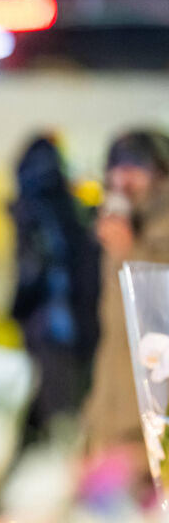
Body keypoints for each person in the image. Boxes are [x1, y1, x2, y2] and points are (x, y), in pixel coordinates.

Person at [83, 129, 169, 457]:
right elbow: (114, 338)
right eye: (116, 168)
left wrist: (131, 253)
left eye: (135, 168)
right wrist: (94, 417)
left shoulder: (153, 235)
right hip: (114, 418)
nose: (122, 178)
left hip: (152, 422)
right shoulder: (123, 230)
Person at [9, 134, 99, 441]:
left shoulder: (32, 211)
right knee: (73, 411)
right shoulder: (76, 209)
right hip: (79, 327)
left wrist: (19, 312)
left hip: (54, 330)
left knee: (61, 417)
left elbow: (33, 273)